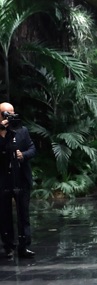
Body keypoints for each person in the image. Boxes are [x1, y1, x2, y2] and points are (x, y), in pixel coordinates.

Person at [0, 102, 36, 259]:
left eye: (11, 112)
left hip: (21, 178)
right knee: (4, 214)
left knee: (23, 214)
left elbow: (32, 148)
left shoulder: (22, 130)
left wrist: (24, 155)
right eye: (5, 113)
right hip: (3, 179)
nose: (9, 116)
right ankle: (8, 246)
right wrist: (2, 130)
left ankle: (24, 246)